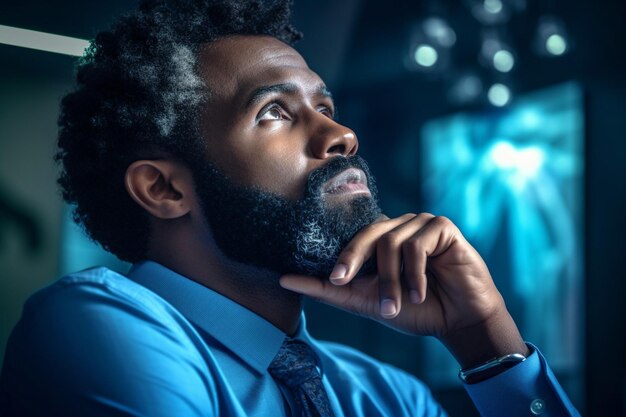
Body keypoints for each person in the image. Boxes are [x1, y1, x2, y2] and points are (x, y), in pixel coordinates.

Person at [0, 1, 580, 416]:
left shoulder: (389, 396)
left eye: (325, 105)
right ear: (163, 189)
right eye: (275, 111)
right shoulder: (94, 325)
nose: (342, 134)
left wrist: (490, 348)